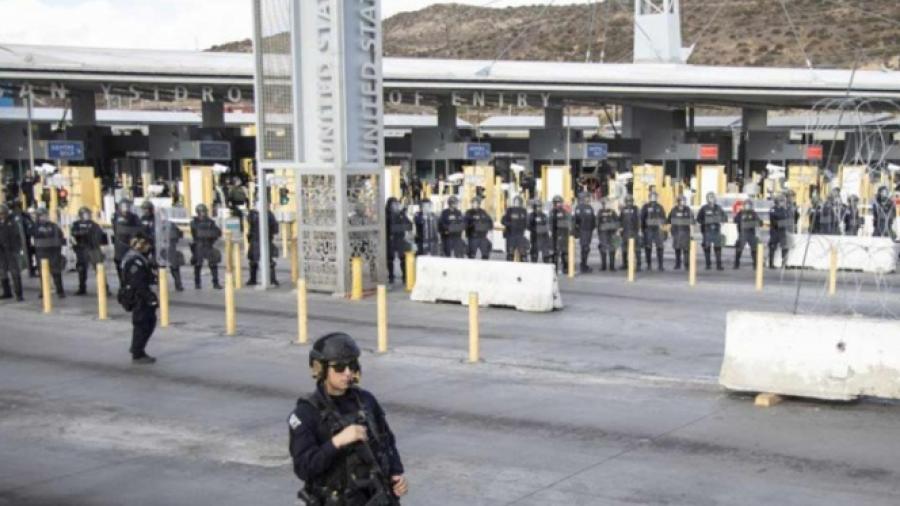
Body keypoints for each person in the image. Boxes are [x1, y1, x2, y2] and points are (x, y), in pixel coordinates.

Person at [288, 332, 407, 505]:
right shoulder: (305, 413)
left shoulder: (366, 401)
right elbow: (304, 468)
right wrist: (337, 442)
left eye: (352, 365)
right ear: (320, 368)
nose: (348, 372)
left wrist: (396, 474)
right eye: (339, 368)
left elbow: (386, 440)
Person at [121, 233, 159, 364]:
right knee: (142, 324)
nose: (149, 247)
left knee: (149, 322)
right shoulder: (134, 260)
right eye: (147, 245)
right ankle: (137, 353)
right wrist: (149, 297)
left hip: (142, 294)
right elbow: (137, 282)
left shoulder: (140, 258)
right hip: (138, 296)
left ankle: (138, 349)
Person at [70, 207, 107, 295]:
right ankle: (82, 288)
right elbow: (73, 234)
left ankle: (105, 288)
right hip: (82, 249)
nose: (87, 216)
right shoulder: (76, 224)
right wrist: (80, 235)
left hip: (93, 248)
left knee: (99, 268)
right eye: (84, 214)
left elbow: (99, 235)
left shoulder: (94, 225)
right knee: (81, 269)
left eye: (88, 214)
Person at [33, 207, 66, 297]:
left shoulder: (53, 226)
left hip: (53, 252)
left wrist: (59, 250)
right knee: (43, 273)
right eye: (41, 216)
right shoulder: (35, 226)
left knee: (56, 272)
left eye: (44, 215)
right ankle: (44, 291)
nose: (43, 217)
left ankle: (60, 291)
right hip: (41, 252)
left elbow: (61, 237)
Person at [190, 203, 223, 289]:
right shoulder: (194, 222)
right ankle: (197, 283)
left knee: (213, 264)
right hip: (199, 245)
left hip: (208, 245)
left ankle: (215, 283)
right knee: (198, 265)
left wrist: (211, 236)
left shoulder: (210, 222)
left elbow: (218, 232)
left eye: (204, 212)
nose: (203, 214)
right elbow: (195, 233)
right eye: (202, 212)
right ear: (198, 212)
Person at [247, 203, 279, 286]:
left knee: (265, 260)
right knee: (259, 260)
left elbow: (275, 228)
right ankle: (271, 279)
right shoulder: (257, 214)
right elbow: (275, 228)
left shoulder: (260, 214)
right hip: (259, 239)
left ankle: (270, 279)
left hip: (260, 239)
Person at [112, 199, 142, 284]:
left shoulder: (133, 217)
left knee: (131, 264)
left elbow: (139, 229)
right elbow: (115, 228)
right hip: (119, 245)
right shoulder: (115, 216)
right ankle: (122, 283)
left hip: (131, 245)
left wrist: (133, 235)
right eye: (123, 206)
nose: (125, 208)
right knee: (119, 264)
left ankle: (131, 282)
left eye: (127, 206)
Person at [0, 204, 24, 301]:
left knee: (15, 272)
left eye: (2, 213)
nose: (1, 216)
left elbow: (17, 236)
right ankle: (7, 292)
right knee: (2, 272)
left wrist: (16, 248)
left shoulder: (12, 222)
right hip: (1, 251)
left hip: (11, 250)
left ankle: (19, 294)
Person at [385, 197, 412, 284]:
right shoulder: (386, 215)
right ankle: (391, 277)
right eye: (393, 205)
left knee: (403, 258)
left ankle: (405, 276)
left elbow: (409, 224)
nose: (396, 206)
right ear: (389, 206)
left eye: (397, 204)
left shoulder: (401, 214)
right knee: (390, 259)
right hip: (390, 239)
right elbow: (384, 227)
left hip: (400, 238)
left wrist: (402, 225)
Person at [697, 192, 726, 270]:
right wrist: (705, 222)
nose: (712, 199)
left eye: (713, 197)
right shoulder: (704, 208)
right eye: (710, 197)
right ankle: (708, 264)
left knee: (718, 248)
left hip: (716, 231)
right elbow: (699, 219)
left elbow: (724, 217)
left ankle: (719, 265)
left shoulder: (718, 208)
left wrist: (722, 220)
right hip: (707, 231)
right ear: (707, 199)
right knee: (707, 248)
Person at [640, 191, 666, 271]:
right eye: (651, 196)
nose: (653, 198)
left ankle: (660, 265)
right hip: (648, 229)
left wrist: (664, 229)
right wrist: (642, 230)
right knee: (648, 247)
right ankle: (649, 264)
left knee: (660, 247)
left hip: (658, 229)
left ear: (657, 197)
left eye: (654, 196)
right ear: (649, 197)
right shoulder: (645, 206)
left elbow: (663, 218)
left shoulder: (660, 207)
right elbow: (642, 218)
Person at [733, 199, 762, 269]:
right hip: (743, 233)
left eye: (749, 205)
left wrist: (751, 224)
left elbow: (760, 222)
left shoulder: (753, 213)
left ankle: (755, 265)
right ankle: (736, 264)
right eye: (746, 205)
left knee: (754, 249)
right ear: (744, 206)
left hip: (751, 233)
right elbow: (735, 220)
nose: (747, 206)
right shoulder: (741, 213)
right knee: (739, 249)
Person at [667, 195, 693, 270]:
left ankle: (687, 265)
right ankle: (677, 264)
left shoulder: (688, 210)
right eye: (682, 201)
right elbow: (669, 221)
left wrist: (692, 234)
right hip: (676, 233)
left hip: (685, 233)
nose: (683, 202)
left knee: (686, 250)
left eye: (684, 201)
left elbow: (692, 223)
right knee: (677, 249)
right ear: (678, 202)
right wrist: (669, 232)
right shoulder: (674, 210)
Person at [162, 210, 186, 291]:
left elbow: (179, 234)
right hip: (166, 247)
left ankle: (176, 284)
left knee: (172, 267)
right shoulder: (170, 224)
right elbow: (180, 234)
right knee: (172, 267)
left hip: (165, 247)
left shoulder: (169, 225)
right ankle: (177, 285)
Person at [501, 196, 529, 262]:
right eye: (516, 202)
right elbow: (503, 220)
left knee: (523, 254)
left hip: (520, 235)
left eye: (519, 202)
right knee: (510, 254)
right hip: (511, 235)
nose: (517, 203)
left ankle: (524, 269)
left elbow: (527, 222)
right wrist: (510, 224)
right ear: (514, 202)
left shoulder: (524, 211)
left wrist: (526, 227)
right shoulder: (510, 210)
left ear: (521, 203)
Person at [572, 192, 595, 273]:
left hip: (589, 231)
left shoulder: (590, 207)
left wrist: (592, 228)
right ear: (583, 198)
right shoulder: (578, 207)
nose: (588, 198)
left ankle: (584, 264)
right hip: (583, 231)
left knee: (586, 248)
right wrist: (577, 231)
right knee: (585, 248)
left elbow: (593, 220)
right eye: (587, 197)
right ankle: (583, 265)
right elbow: (576, 220)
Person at [595, 198, 620, 272]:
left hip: (612, 233)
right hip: (603, 233)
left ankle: (612, 266)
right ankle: (603, 266)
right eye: (604, 203)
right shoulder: (600, 212)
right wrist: (599, 231)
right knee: (603, 249)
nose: (605, 205)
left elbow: (617, 221)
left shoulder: (613, 212)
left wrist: (615, 229)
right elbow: (597, 222)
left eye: (607, 203)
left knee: (612, 249)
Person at [768, 195, 792, 269]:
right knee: (772, 247)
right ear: (777, 202)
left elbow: (789, 218)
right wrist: (783, 218)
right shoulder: (773, 209)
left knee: (785, 247)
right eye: (781, 201)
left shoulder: (785, 209)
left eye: (783, 201)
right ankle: (771, 264)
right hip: (775, 231)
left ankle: (784, 263)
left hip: (782, 231)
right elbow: (775, 217)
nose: (783, 203)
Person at [619, 195, 641, 271]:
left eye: (630, 201)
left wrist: (639, 230)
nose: (629, 203)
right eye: (627, 201)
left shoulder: (636, 209)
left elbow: (639, 220)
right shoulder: (623, 209)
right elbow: (620, 220)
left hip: (634, 232)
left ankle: (638, 265)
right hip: (625, 232)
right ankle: (625, 264)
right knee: (624, 249)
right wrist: (620, 228)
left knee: (637, 249)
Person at [527, 199, 551, 263]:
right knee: (534, 255)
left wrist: (541, 229)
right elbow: (528, 226)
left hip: (544, 237)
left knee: (546, 256)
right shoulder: (531, 215)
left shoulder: (544, 215)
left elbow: (548, 226)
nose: (538, 208)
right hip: (535, 238)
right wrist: (537, 229)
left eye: (540, 206)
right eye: (537, 206)